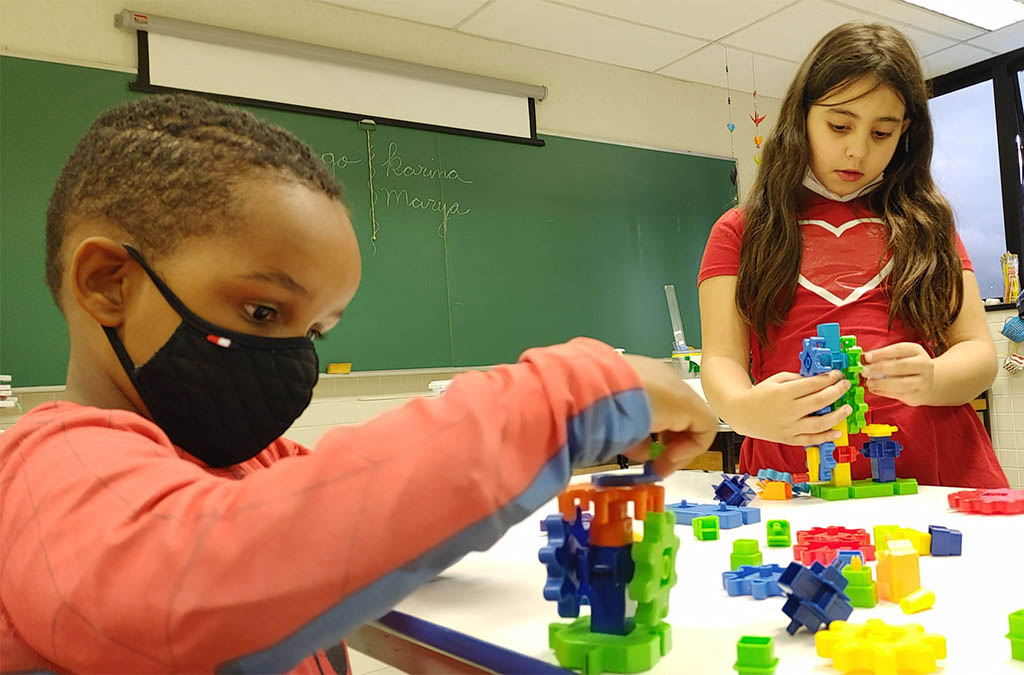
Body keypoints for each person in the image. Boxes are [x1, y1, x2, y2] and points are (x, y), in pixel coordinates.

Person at [0, 94, 716, 673]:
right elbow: (200, 588)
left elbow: (373, 506)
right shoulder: (49, 468)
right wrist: (577, 391)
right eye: (261, 310)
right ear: (106, 282)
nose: (293, 358)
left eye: (315, 332)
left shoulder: (247, 462)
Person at [698, 22, 1005, 488]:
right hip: (795, 477)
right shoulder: (742, 231)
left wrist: (934, 378)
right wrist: (744, 410)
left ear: (904, 132)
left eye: (882, 133)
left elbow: (979, 355)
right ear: (801, 116)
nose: (857, 150)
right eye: (839, 125)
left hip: (937, 471)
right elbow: (721, 360)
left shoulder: (928, 225)